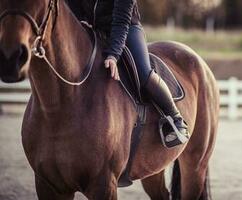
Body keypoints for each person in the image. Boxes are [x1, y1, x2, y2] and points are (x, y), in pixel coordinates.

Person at [68, 0, 189, 147]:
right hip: (91, 28)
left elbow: (121, 21)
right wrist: (80, 20)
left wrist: (113, 55)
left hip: (126, 28)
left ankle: (176, 119)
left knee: (143, 71)